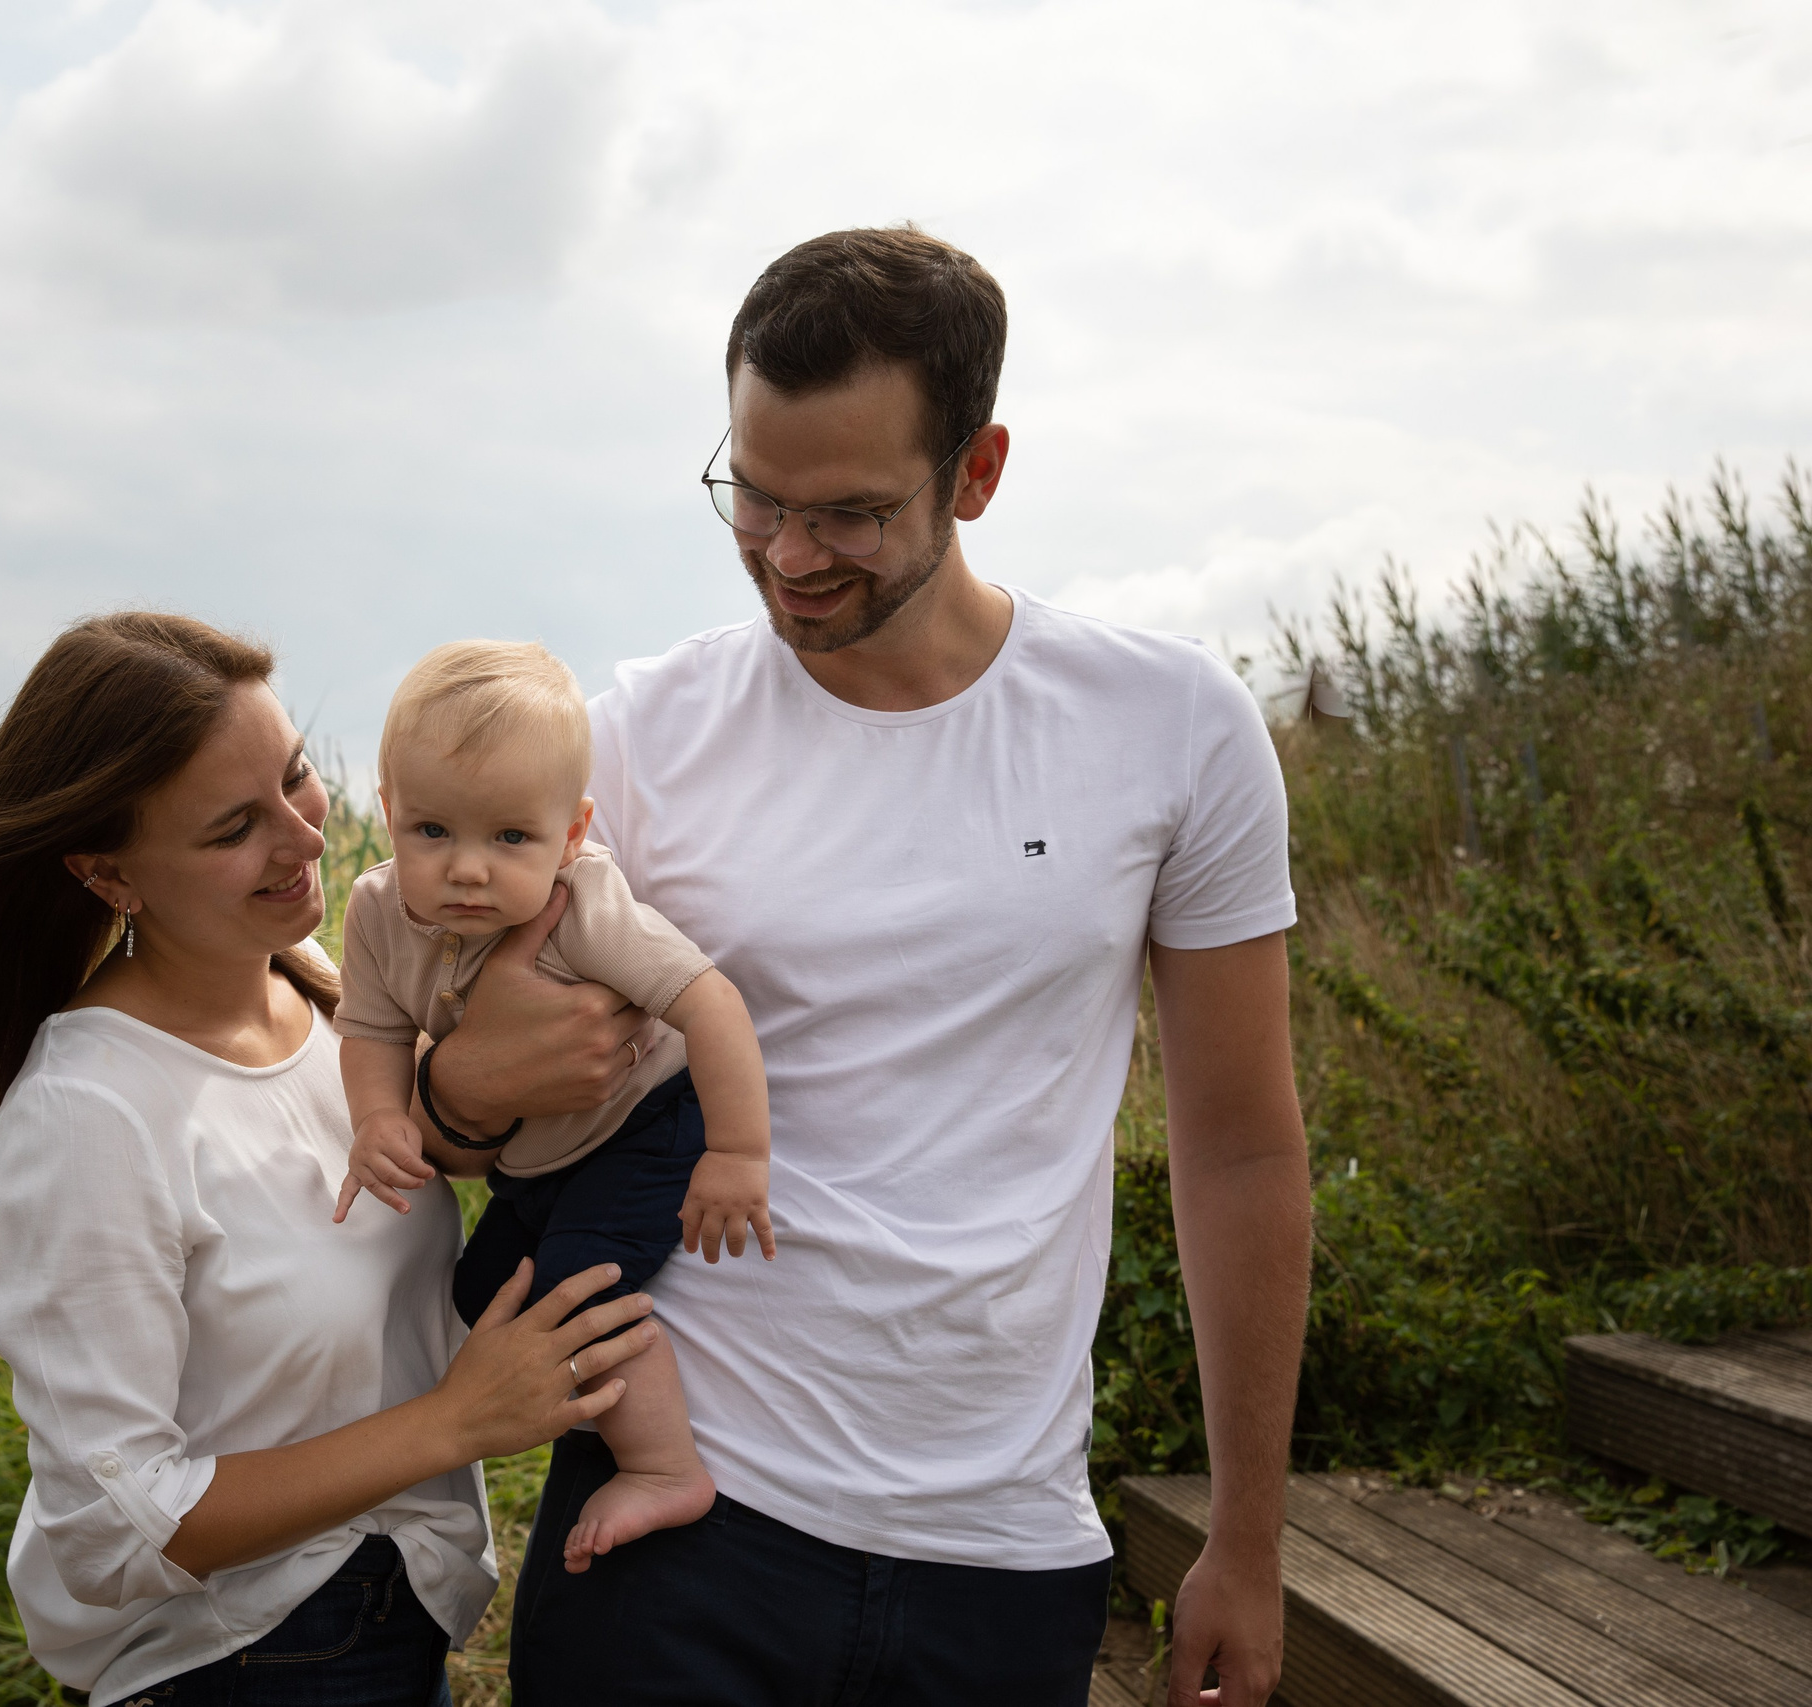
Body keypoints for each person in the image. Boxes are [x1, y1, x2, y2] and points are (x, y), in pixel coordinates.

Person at [419, 228, 1312, 1707]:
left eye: (845, 513)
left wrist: (1249, 1536)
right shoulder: (629, 742)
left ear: (977, 473)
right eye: (752, 495)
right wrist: (460, 1090)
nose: (786, 553)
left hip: (1007, 1547)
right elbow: (453, 1085)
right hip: (677, 1517)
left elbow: (1240, 1146)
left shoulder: (1173, 728)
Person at [0, 612, 662, 1707]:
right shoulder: (90, 1118)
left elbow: (396, 1155)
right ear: (108, 874)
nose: (307, 837)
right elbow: (115, 1534)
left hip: (387, 1613)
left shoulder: (311, 981)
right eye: (233, 829)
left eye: (297, 776)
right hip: (240, 1659)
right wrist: (458, 1421)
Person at [329, 639, 775, 1574]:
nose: (467, 870)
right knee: (479, 1291)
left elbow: (709, 1001)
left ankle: (663, 1465)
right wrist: (379, 1118)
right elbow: (370, 1030)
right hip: (537, 1156)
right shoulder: (374, 914)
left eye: (510, 838)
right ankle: (589, 1417)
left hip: (649, 1126)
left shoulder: (586, 905)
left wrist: (736, 1153)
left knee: (578, 1288)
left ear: (571, 835)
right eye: (433, 832)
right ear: (390, 816)